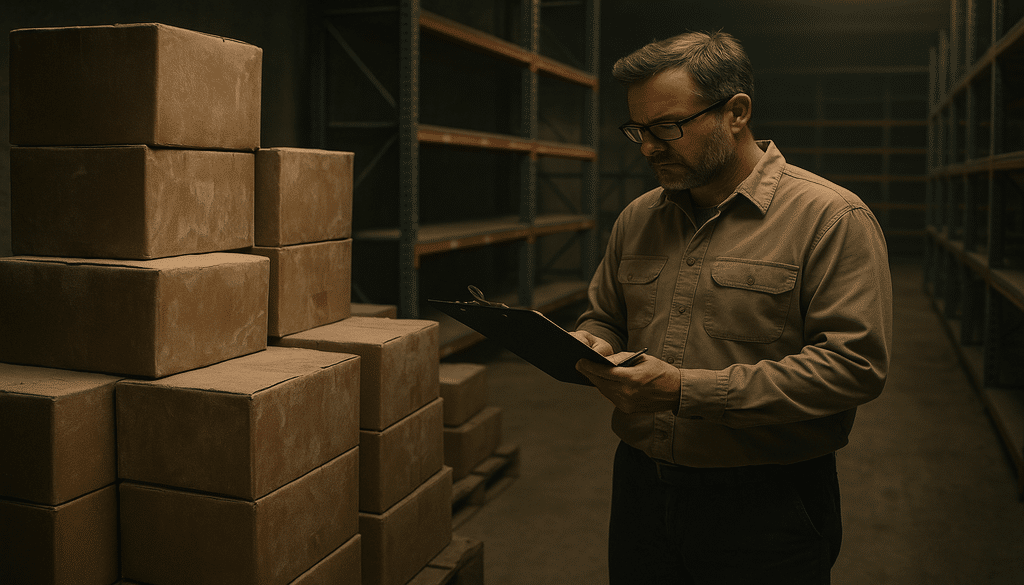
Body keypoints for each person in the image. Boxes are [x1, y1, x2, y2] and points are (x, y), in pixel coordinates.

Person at [570, 31, 893, 584]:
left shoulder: (831, 218)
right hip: (643, 485)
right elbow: (604, 314)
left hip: (767, 498)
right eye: (638, 131)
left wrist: (684, 390)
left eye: (667, 127)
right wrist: (591, 342)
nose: (648, 147)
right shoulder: (638, 217)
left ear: (736, 112)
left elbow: (853, 367)